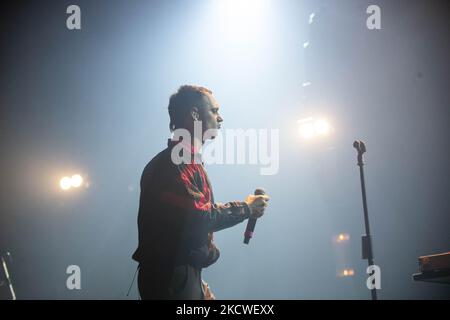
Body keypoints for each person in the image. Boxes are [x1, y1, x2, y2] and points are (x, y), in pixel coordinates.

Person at [132, 85, 269, 299]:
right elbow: (197, 217)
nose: (220, 118)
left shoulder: (185, 162)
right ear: (195, 114)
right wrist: (246, 208)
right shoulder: (174, 163)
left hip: (181, 276)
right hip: (172, 278)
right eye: (214, 111)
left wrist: (197, 282)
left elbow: (180, 232)